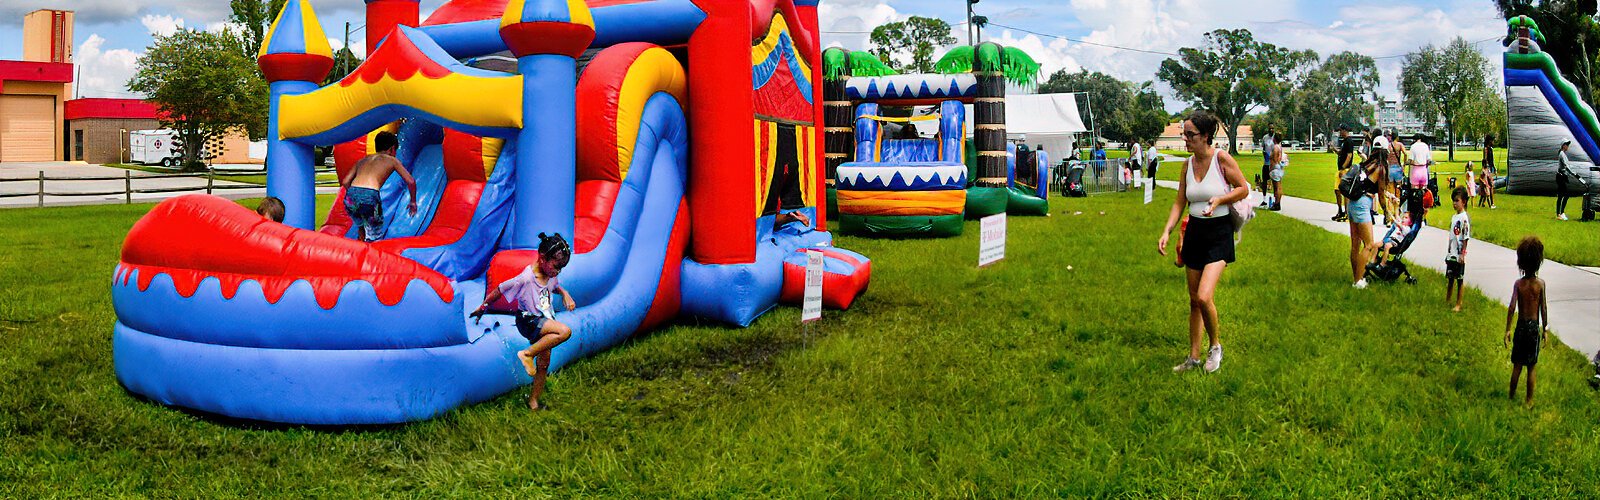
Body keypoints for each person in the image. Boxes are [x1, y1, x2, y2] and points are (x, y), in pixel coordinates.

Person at [1157, 111, 1249, 374]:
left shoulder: (1221, 159)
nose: (1185, 139)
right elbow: (1180, 201)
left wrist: (1220, 200)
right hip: (1195, 230)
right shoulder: (1187, 165)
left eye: (1190, 134)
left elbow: (1243, 187)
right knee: (1193, 301)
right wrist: (1167, 231)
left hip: (1219, 232)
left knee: (1204, 296)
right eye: (1183, 134)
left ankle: (1215, 346)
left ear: (1206, 136)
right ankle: (1193, 357)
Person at [471, 232, 577, 411]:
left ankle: (534, 401)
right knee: (564, 331)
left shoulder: (550, 274)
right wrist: (482, 308)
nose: (557, 272)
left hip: (545, 319)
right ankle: (527, 354)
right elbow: (500, 289)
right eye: (556, 267)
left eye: (561, 269)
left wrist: (566, 294)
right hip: (528, 320)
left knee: (543, 365)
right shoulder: (527, 278)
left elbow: (555, 286)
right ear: (542, 258)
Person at [339, 131, 417, 242]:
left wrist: (356, 195)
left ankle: (360, 242)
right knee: (374, 236)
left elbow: (346, 181)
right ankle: (370, 254)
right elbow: (411, 181)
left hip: (351, 197)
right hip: (369, 197)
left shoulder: (362, 160)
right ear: (392, 149)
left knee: (362, 229)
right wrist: (413, 201)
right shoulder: (392, 160)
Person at [1504, 236, 1549, 405]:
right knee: (1531, 367)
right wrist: (1545, 328)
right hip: (1533, 329)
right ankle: (1529, 400)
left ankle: (1511, 395)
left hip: (1521, 327)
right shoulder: (1540, 284)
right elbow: (1543, 308)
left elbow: (1511, 307)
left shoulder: (1518, 284)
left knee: (1517, 365)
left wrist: (1508, 329)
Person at [1348, 148, 1387, 289]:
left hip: (1351, 204)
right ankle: (1358, 281)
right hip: (1362, 206)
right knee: (1369, 245)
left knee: (1355, 245)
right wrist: (1387, 212)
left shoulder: (1366, 164)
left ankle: (1356, 276)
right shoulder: (1380, 168)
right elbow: (1381, 194)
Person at [1445, 187, 1471, 311]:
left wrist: (1463, 254)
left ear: (1464, 202)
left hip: (1459, 254)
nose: (1454, 203)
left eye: (1457, 201)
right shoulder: (1454, 217)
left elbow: (1466, 237)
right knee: (1450, 278)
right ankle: (1448, 300)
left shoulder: (1464, 218)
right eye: (1453, 201)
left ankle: (1458, 304)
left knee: (1459, 279)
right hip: (1451, 253)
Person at [1332, 124, 1357, 222]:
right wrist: (1334, 149)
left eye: (1341, 131)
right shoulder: (1344, 142)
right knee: (1337, 190)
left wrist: (1343, 168)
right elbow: (1342, 154)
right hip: (1340, 169)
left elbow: (1349, 156)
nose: (1339, 133)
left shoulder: (1349, 141)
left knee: (1345, 193)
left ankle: (1347, 213)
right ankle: (1340, 211)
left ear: (1345, 130)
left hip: (1345, 170)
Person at [1555, 139, 1579, 220]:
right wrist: (1573, 173)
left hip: (1563, 177)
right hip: (1560, 177)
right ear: (1563, 145)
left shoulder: (1563, 154)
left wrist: (1573, 171)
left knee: (1562, 196)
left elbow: (1568, 165)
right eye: (1567, 145)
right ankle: (1560, 214)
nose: (1568, 146)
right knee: (1565, 195)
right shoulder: (1562, 154)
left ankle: (1560, 213)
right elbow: (1566, 166)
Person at [1267, 137, 1286, 211]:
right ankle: (1277, 203)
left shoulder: (1275, 147)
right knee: (1279, 187)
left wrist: (1270, 170)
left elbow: (1274, 160)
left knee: (1276, 187)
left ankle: (1277, 204)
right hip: (1280, 168)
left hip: (1275, 168)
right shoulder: (1280, 147)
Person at [1483, 134, 1498, 209]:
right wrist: (1486, 170)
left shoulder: (1491, 149)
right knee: (1491, 186)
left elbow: (1492, 161)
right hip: (1487, 169)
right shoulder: (1486, 149)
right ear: (1489, 141)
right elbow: (1485, 160)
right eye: (1492, 140)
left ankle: (1483, 202)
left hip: (1491, 168)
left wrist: (1494, 169)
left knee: (1488, 185)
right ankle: (1492, 203)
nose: (1493, 142)